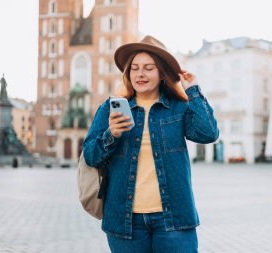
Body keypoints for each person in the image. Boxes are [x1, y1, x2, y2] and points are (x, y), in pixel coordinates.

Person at [83, 35, 219, 253]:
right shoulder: (109, 109)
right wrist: (112, 134)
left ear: (161, 73)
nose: (140, 74)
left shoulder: (178, 108)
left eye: (148, 68)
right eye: (134, 68)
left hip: (173, 219)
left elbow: (208, 134)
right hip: (125, 222)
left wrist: (191, 89)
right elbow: (90, 155)